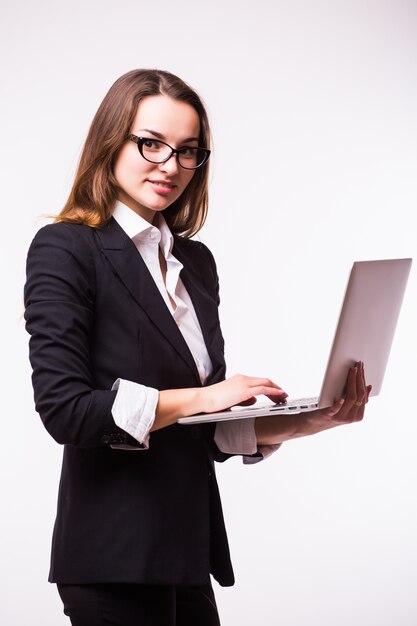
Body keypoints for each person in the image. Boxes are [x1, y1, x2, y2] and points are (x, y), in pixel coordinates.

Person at [24, 69, 370, 626]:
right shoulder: (66, 248)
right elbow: (66, 412)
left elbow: (206, 434)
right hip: (113, 558)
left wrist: (313, 420)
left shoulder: (195, 265)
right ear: (111, 141)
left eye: (188, 151)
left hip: (185, 554)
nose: (170, 165)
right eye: (151, 143)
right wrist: (202, 398)